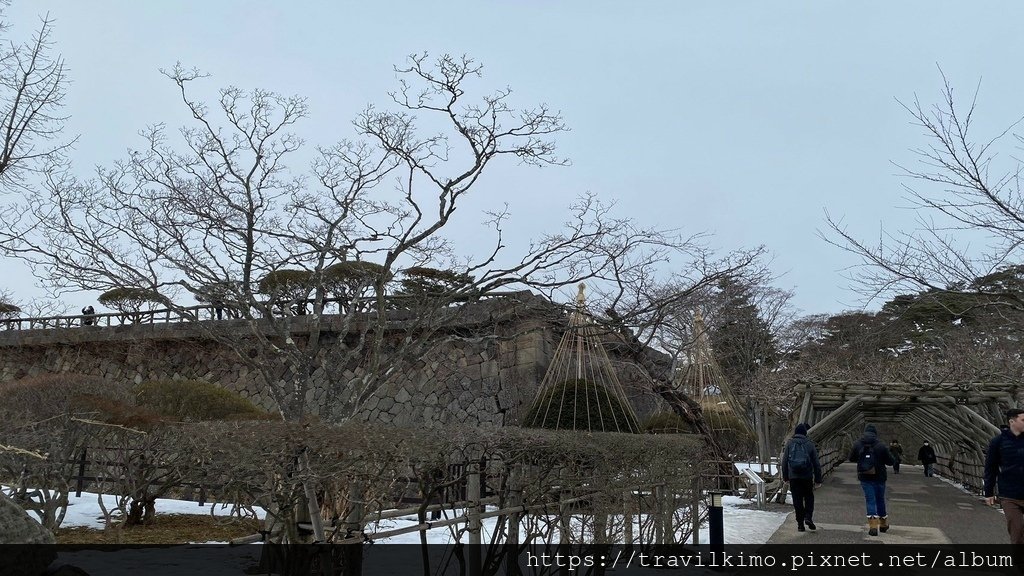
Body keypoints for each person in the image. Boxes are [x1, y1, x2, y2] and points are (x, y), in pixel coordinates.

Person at [984, 408, 1024, 544]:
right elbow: (991, 467)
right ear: (1012, 421)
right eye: (1023, 420)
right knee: (1016, 531)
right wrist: (988, 492)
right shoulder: (998, 442)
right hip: (1010, 494)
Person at [849, 424, 894, 536]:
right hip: (880, 477)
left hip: (865, 476)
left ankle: (873, 526)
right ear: (875, 433)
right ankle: (883, 524)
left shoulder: (858, 444)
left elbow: (851, 458)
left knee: (870, 499)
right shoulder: (881, 445)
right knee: (880, 499)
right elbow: (891, 461)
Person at [781, 422, 823, 532]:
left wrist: (785, 477)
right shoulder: (810, 444)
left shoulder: (790, 444)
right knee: (809, 497)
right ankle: (808, 517)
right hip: (807, 476)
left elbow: (784, 462)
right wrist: (818, 479)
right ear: (805, 433)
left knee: (797, 500)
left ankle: (800, 524)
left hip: (794, 477)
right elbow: (816, 464)